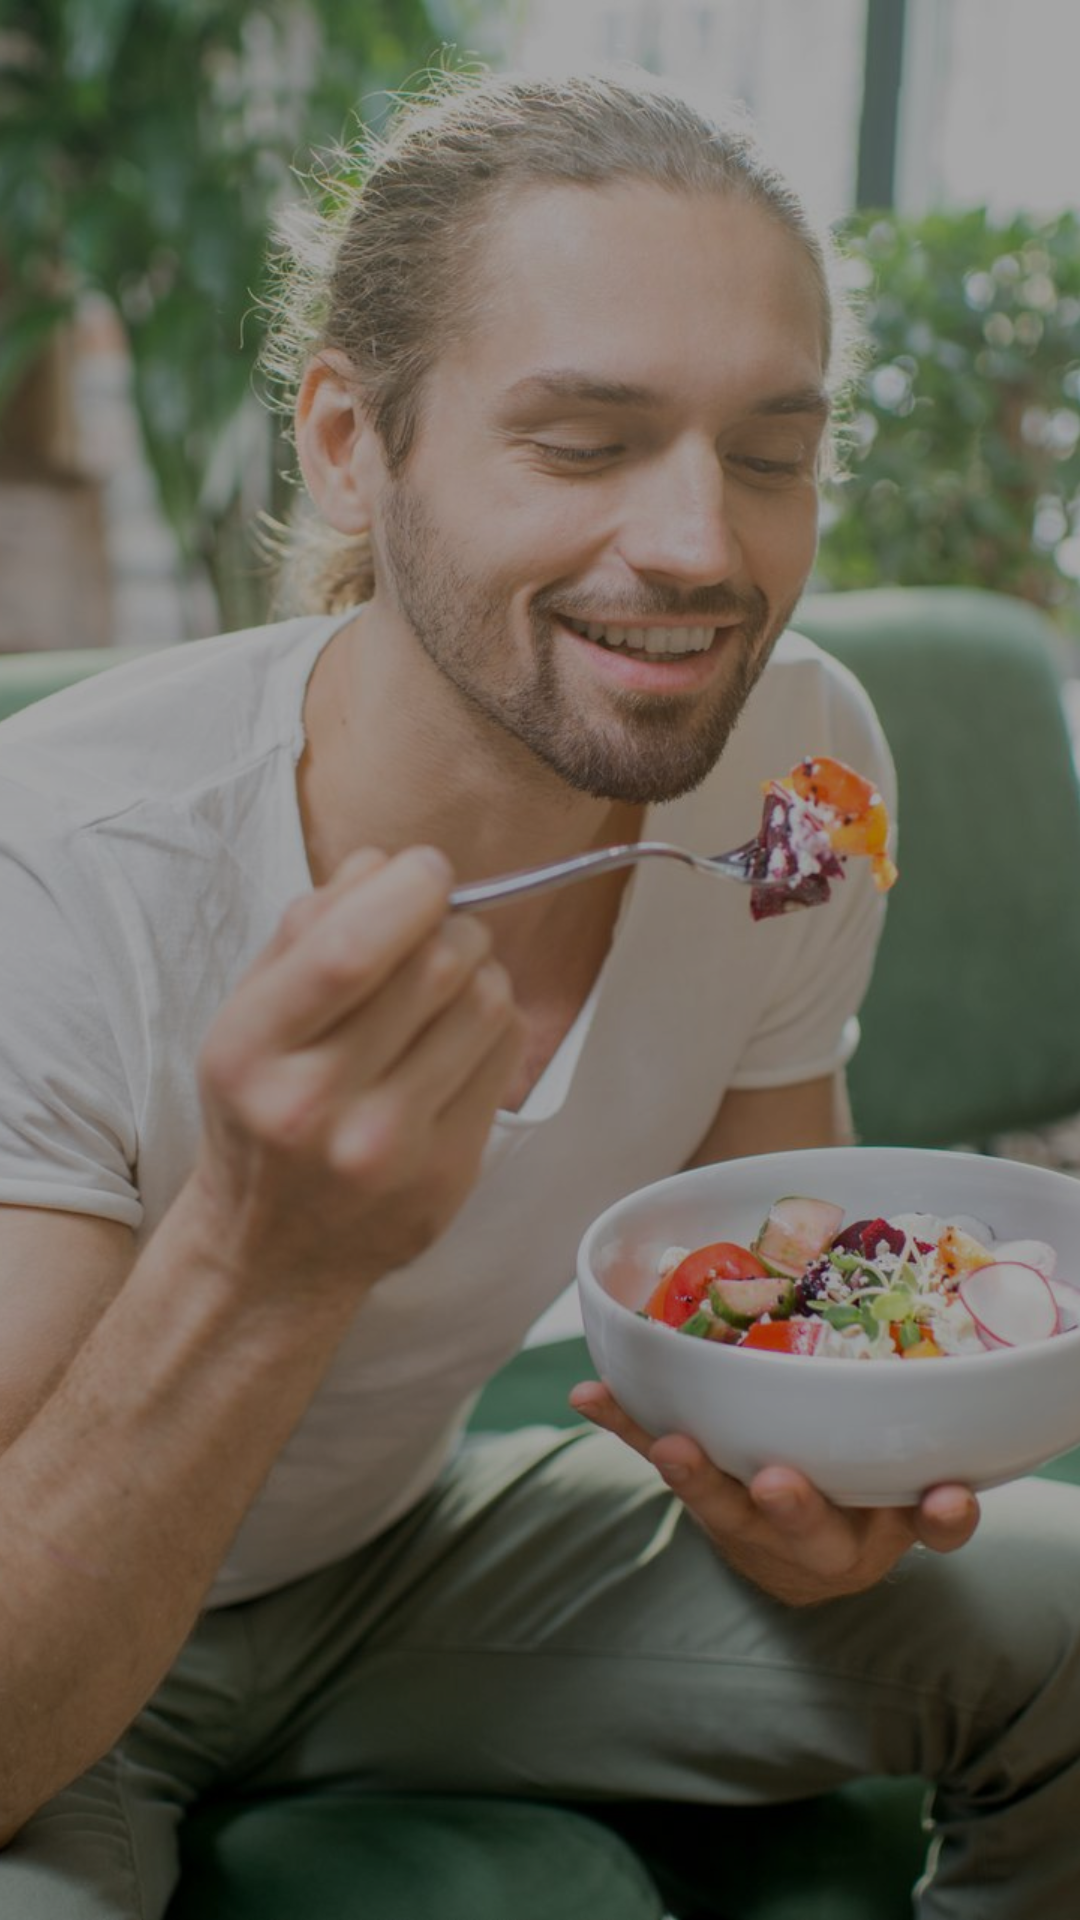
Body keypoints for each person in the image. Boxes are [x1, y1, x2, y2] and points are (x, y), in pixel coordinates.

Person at [0, 67, 1077, 1920]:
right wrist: (267, 1251)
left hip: (405, 1558)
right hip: (74, 1646)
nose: (702, 549)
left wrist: (819, 1483)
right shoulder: (65, 867)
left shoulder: (799, 762)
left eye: (769, 454)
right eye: (583, 444)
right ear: (349, 439)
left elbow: (766, 1273)